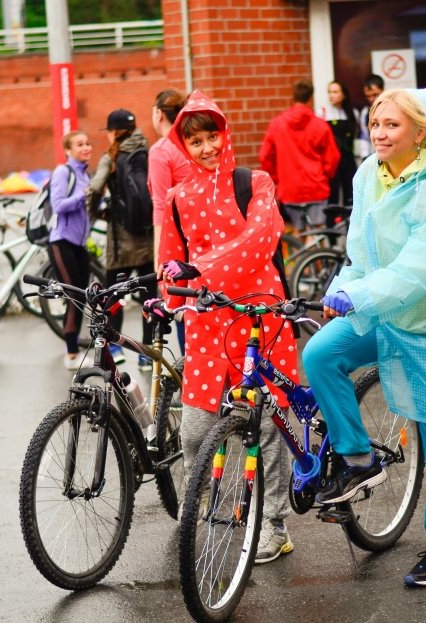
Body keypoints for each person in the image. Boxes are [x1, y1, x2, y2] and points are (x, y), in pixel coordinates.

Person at [301, 85, 426, 587]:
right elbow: (360, 251)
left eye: (392, 125)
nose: (380, 133)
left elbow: (417, 272)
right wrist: (341, 288)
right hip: (386, 309)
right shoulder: (369, 174)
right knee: (321, 352)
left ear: (421, 132)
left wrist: (360, 296)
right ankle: (358, 458)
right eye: (375, 123)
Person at [155, 90, 299, 564]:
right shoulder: (177, 197)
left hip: (258, 312)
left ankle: (273, 525)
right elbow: (171, 259)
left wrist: (200, 270)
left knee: (267, 425)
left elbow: (261, 238)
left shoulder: (254, 181)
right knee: (195, 430)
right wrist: (165, 297)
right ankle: (195, 512)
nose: (206, 148)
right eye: (194, 141)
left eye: (211, 135)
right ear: (183, 146)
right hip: (206, 321)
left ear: (225, 133)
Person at [88, 109, 156, 369]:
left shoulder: (112, 156)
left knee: (112, 295)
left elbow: (95, 188)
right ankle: (146, 353)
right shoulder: (148, 152)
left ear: (114, 132)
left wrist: (96, 211)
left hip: (121, 241)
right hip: (149, 239)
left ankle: (114, 346)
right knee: (149, 298)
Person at [259, 79, 340, 231]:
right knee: (318, 235)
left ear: (293, 97)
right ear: (311, 98)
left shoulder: (277, 124)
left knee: (296, 236)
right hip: (316, 187)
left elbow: (265, 156)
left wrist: (278, 178)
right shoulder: (320, 125)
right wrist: (324, 175)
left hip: (290, 190)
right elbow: (333, 157)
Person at [148, 89, 192, 354]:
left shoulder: (161, 151)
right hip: (201, 238)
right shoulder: (190, 142)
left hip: (177, 240)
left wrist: (158, 254)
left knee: (179, 306)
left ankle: (190, 371)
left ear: (158, 113)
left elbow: (160, 206)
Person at [48, 130, 93, 370]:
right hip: (61, 241)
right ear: (68, 150)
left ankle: (74, 346)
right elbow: (59, 205)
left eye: (88, 143)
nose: (86, 147)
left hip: (79, 244)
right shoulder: (62, 172)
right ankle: (71, 353)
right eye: (79, 144)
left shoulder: (86, 174)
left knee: (82, 296)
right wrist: (82, 196)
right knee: (73, 296)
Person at [320, 80, 359, 207]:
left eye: (335, 92)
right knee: (333, 196)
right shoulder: (322, 112)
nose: (331, 95)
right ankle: (332, 224)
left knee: (351, 195)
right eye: (329, 92)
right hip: (332, 162)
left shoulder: (353, 113)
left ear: (343, 95)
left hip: (348, 159)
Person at [356, 73, 384, 165]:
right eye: (368, 96)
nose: (371, 99)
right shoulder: (365, 112)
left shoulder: (392, 108)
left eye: (375, 94)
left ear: (382, 90)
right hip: (373, 156)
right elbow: (364, 136)